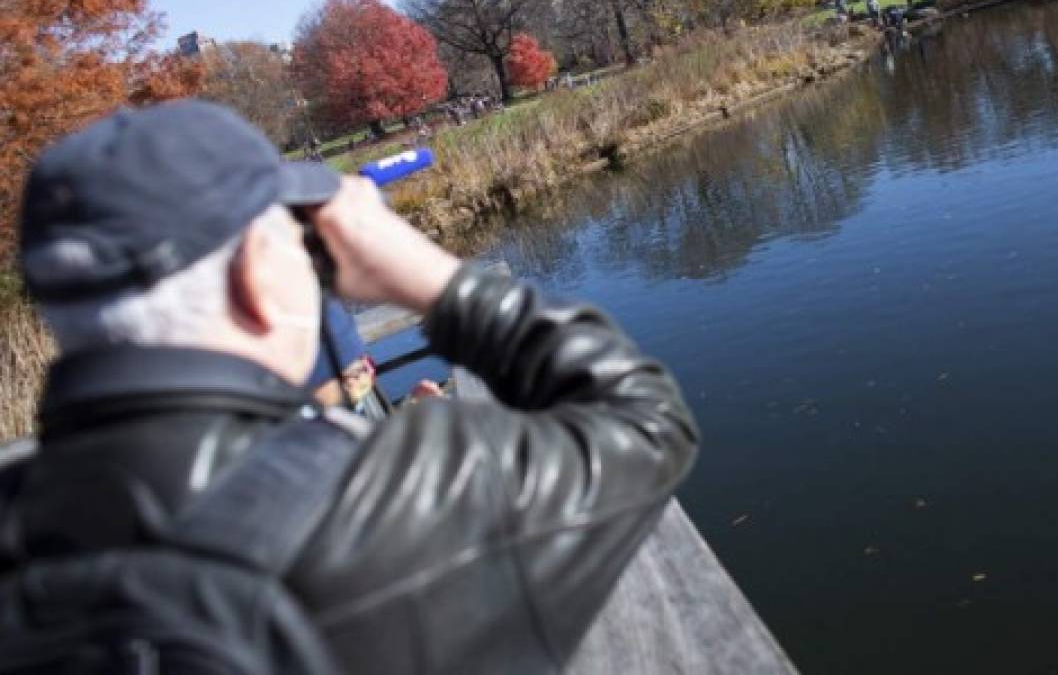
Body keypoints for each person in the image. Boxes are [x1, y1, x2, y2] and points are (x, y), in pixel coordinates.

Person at [0, 100, 699, 675]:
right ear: (254, 274)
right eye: (292, 243)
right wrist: (432, 274)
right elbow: (646, 421)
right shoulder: (407, 501)